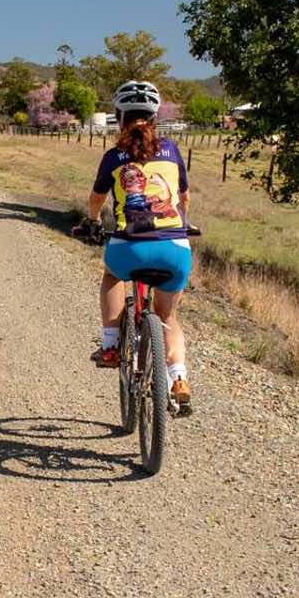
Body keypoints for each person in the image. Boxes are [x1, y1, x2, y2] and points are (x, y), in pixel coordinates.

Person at [73, 80, 194, 412]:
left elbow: (97, 199)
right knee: (168, 316)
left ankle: (111, 345)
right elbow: (183, 196)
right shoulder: (171, 150)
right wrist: (184, 221)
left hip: (129, 247)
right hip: (175, 248)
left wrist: (93, 221)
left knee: (112, 276)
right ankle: (178, 376)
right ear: (155, 118)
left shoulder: (113, 156)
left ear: (119, 116)